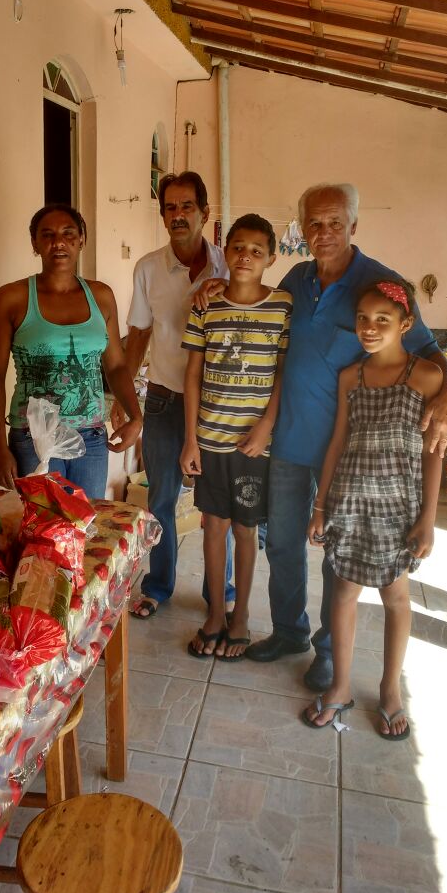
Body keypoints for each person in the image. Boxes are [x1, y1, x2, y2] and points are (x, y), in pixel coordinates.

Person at [197, 183, 447, 690]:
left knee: (338, 553)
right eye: (314, 223)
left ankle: (330, 652)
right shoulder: (296, 276)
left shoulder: (382, 286)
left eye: (335, 222)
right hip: (290, 440)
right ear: (302, 230)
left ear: (354, 226)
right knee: (285, 544)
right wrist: (211, 288)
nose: (324, 233)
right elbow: (255, 304)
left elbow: (428, 352)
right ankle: (289, 632)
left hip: (350, 451)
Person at [302, 279, 442, 739]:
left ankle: (389, 690)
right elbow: (337, 441)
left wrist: (428, 519)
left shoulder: (427, 377)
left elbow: (433, 452)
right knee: (343, 594)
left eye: (383, 320)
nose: (370, 327)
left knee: (396, 598)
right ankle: (340, 686)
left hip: (399, 510)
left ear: (406, 324)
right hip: (350, 501)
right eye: (363, 318)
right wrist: (321, 505)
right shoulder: (352, 377)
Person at [111, 171, 235, 618]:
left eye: (186, 207)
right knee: (161, 496)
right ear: (163, 215)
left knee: (217, 501)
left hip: (220, 403)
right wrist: (123, 398)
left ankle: (221, 591)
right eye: (170, 208)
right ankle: (159, 585)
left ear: (205, 212)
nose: (178, 215)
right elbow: (139, 335)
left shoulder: (231, 265)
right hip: (164, 398)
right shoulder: (148, 268)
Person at [180, 215, 291, 660]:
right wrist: (190, 438)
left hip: (254, 445)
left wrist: (266, 427)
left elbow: (284, 372)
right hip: (210, 437)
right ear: (225, 251)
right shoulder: (206, 304)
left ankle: (241, 615)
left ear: (271, 257)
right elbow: (193, 374)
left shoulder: (283, 306)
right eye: (238, 247)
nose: (245, 256)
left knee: (246, 530)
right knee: (213, 527)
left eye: (256, 250)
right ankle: (214, 613)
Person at [0, 204, 142, 498]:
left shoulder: (101, 297)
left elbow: (116, 366)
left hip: (92, 439)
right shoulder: (12, 298)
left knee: (86, 527)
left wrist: (135, 416)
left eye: (68, 234)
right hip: (34, 438)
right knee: (45, 533)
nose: (58, 242)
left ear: (82, 239)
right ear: (35, 244)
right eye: (47, 235)